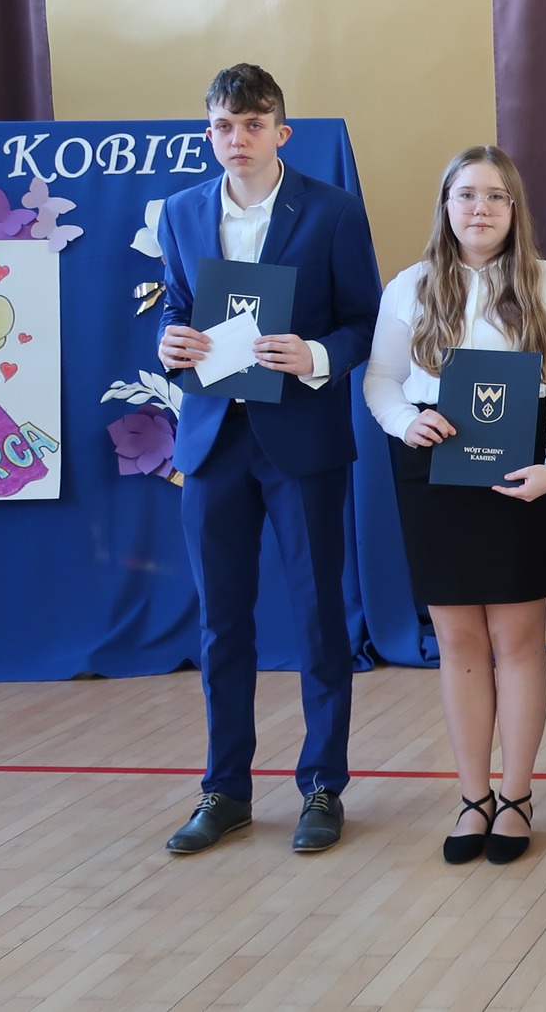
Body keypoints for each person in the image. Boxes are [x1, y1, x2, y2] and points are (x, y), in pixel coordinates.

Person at [154, 64, 381, 856]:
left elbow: (365, 321)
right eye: (223, 125)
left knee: (320, 618)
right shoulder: (181, 212)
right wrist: (168, 344)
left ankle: (323, 785)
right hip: (214, 441)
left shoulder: (332, 210)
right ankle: (225, 789)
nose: (237, 138)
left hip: (301, 441)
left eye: (253, 124)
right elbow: (176, 309)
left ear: (282, 132)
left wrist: (314, 353)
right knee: (221, 624)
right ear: (208, 133)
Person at [364, 146, 546, 864]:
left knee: (518, 641)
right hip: (433, 468)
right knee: (458, 641)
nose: (480, 208)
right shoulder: (409, 286)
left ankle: (516, 797)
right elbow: (381, 381)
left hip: (522, 471)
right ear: (446, 205)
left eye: (495, 196)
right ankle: (472, 797)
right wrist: (405, 423)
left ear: (514, 208)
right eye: (465, 195)